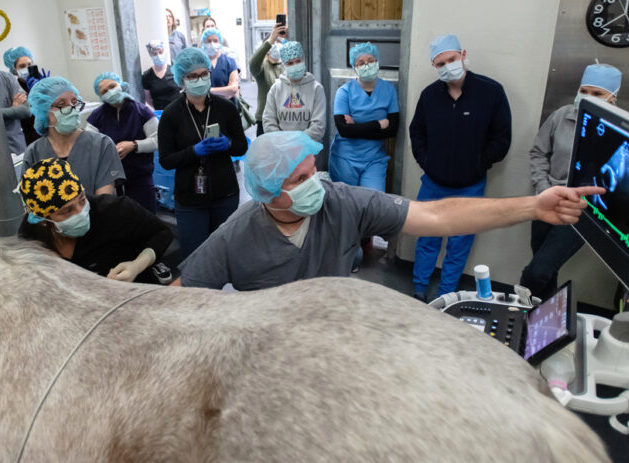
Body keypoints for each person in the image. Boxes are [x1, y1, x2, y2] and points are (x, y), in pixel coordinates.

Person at [173, 132, 602, 290]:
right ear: (268, 195)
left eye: (313, 170)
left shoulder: (343, 202)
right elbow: (182, 294)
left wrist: (533, 206)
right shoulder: (237, 235)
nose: (315, 183)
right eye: (298, 180)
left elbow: (438, 217)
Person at [408, 34, 511, 301]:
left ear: (463, 55)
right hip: (433, 183)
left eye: (451, 59)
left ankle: (446, 295)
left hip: (470, 186)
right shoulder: (430, 96)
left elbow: (502, 138)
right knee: (427, 238)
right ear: (434, 66)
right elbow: (416, 132)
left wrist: (478, 164)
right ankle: (418, 289)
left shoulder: (490, 92)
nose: (447, 67)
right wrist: (427, 162)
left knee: (459, 244)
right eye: (440, 64)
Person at [520, 63, 622, 299]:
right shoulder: (561, 116)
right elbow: (538, 152)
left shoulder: (619, 130)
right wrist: (543, 188)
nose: (587, 97)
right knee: (546, 271)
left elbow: (617, 180)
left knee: (537, 272)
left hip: (582, 212)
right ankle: (542, 318)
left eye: (597, 93)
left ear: (612, 97)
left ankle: (519, 306)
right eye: (584, 91)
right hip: (548, 200)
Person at [18, 158, 172, 283]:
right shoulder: (31, 235)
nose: (80, 212)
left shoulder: (113, 210)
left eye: (82, 199)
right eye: (67, 211)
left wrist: (138, 265)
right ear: (43, 220)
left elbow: (162, 233)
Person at [157, 47, 248, 259]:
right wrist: (193, 152)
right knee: (195, 256)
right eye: (192, 76)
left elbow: (242, 146)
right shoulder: (171, 115)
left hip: (225, 193)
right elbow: (166, 160)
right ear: (182, 79)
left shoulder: (226, 108)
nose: (199, 80)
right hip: (190, 199)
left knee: (224, 253)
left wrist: (228, 144)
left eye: (203, 74)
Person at [23, 76, 123, 195]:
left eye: (74, 102)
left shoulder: (102, 144)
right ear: (43, 112)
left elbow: (105, 199)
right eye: (61, 104)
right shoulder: (34, 153)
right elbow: (31, 198)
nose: (71, 108)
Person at [330, 42, 399, 192]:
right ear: (354, 67)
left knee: (374, 201)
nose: (366, 65)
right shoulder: (344, 92)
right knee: (345, 202)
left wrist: (356, 128)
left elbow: (392, 130)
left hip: (374, 160)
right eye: (360, 63)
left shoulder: (389, 90)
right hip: (345, 159)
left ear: (377, 61)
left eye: (371, 61)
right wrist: (378, 125)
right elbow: (344, 130)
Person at [87, 72, 159, 213]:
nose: (110, 92)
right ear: (100, 96)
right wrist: (107, 151)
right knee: (118, 221)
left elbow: (157, 140)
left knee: (145, 219)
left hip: (140, 178)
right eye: (104, 91)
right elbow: (88, 144)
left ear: (120, 84)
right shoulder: (97, 116)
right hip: (109, 181)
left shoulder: (142, 111)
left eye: (112, 86)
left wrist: (134, 145)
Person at [262, 41, 326, 144]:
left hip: (308, 148)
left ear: (303, 60)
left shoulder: (316, 89)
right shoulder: (276, 89)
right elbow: (268, 121)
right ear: (284, 65)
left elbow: (318, 126)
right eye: (290, 63)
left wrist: (296, 143)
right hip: (282, 148)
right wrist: (283, 143)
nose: (295, 65)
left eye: (298, 61)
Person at [0, 46, 30, 155]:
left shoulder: (6, 78)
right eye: (22, 66)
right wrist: (12, 111)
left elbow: (26, 111)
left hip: (16, 147)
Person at [249, 23, 286, 136]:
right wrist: (270, 41)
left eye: (279, 42)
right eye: (274, 43)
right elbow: (253, 63)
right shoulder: (262, 67)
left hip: (286, 120)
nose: (276, 45)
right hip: (265, 120)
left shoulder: (287, 66)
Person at [3, 46, 41, 145]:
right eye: (22, 66)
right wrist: (14, 109)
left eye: (29, 64)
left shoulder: (40, 83)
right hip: (29, 138)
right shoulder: (14, 88)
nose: (27, 68)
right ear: (14, 70)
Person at [199, 28, 239, 104]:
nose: (212, 44)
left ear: (220, 42)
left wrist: (208, 90)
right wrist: (225, 92)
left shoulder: (229, 62)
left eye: (215, 41)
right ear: (203, 43)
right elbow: (197, 90)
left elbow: (233, 89)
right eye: (209, 41)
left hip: (228, 106)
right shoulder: (199, 63)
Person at [141, 40, 182, 111]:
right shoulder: (147, 76)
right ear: (151, 55)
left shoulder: (174, 70)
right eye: (155, 54)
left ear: (164, 52)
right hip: (160, 113)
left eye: (160, 52)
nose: (158, 56)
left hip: (178, 110)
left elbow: (183, 90)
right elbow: (148, 100)